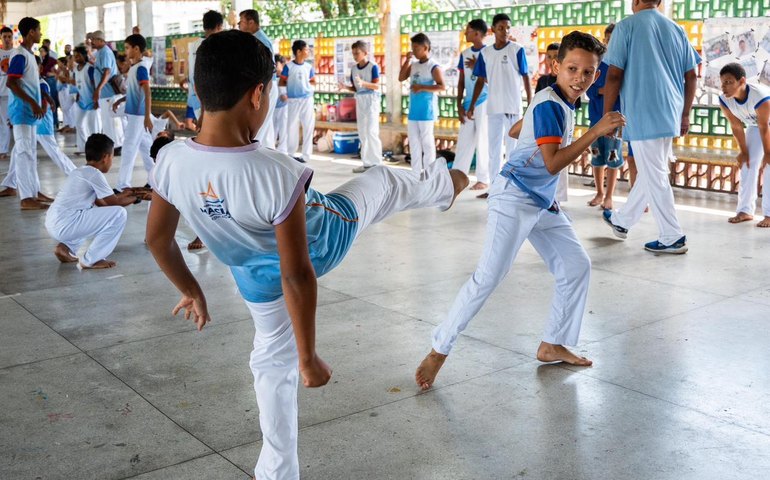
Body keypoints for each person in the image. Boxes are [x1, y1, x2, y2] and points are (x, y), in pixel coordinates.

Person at [145, 30, 468, 480]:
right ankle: (444, 185)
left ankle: (276, 472)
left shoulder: (171, 161)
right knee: (381, 181)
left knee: (268, 363)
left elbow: (158, 241)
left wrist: (192, 290)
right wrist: (308, 357)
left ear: (198, 90)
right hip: (322, 238)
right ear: (258, 94)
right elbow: (298, 274)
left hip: (251, 273)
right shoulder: (277, 171)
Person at [415, 31, 626, 390]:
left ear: (596, 73)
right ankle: (439, 348)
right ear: (556, 66)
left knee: (576, 265)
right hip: (514, 198)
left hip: (541, 201)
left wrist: (534, 132)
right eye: (572, 68)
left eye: (588, 72)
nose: (579, 77)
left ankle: (553, 343)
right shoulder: (547, 104)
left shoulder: (555, 100)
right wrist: (596, 131)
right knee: (488, 276)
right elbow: (552, 163)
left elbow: (517, 130)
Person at [601, 0, 700, 254]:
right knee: (650, 170)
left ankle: (672, 236)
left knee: (654, 173)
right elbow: (692, 75)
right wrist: (686, 113)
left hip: (643, 111)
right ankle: (622, 221)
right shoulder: (676, 29)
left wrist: (607, 115)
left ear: (634, 1)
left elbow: (613, 75)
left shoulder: (626, 27)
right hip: (671, 112)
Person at [45, 133, 136, 269]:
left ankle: (64, 247)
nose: (112, 161)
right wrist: (137, 198)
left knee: (91, 212)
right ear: (105, 157)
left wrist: (127, 194)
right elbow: (114, 203)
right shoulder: (94, 174)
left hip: (54, 222)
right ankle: (91, 259)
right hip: (65, 224)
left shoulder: (80, 171)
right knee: (119, 214)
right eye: (112, 157)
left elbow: (102, 203)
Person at [468, 13, 532, 198]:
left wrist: (530, 102)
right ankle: (495, 188)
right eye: (501, 28)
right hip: (494, 107)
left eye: (508, 28)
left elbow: (526, 76)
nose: (505, 31)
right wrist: (472, 104)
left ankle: (512, 189)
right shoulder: (486, 53)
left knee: (513, 150)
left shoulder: (516, 50)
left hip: (513, 107)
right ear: (493, 30)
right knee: (493, 150)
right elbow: (480, 80)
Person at [0, 17, 51, 210]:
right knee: (22, 152)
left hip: (30, 112)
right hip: (21, 111)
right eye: (38, 30)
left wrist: (42, 102)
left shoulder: (29, 54)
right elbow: (11, 82)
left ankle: (34, 191)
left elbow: (31, 84)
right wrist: (32, 103)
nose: (40, 33)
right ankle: (26, 198)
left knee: (30, 152)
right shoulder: (19, 54)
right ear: (31, 32)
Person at [718, 63, 770, 227]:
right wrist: (743, 151)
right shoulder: (724, 100)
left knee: (769, 165)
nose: (724, 87)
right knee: (747, 164)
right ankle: (746, 210)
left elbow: (764, 126)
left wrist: (767, 153)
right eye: (722, 82)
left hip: (766, 126)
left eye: (729, 82)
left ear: (742, 81)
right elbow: (736, 125)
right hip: (756, 126)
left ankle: (769, 214)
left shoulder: (760, 96)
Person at [586, 23, 623, 210]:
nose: (610, 42)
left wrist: (608, 91)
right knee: (597, 156)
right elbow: (589, 89)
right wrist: (605, 90)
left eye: (614, 39)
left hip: (615, 120)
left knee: (613, 155)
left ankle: (609, 196)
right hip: (595, 118)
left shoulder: (623, 63)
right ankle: (599, 192)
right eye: (608, 39)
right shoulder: (597, 63)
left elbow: (623, 90)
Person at [399, 33, 445, 178]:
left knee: (427, 142)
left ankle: (429, 173)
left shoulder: (433, 66)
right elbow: (401, 77)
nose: (414, 51)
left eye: (416, 48)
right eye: (412, 48)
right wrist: (407, 60)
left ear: (426, 48)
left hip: (426, 110)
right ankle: (415, 173)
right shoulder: (414, 64)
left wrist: (422, 88)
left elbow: (442, 86)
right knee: (414, 142)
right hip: (414, 110)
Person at [111, 34, 153, 191]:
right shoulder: (134, 68)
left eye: (128, 48)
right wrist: (120, 101)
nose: (126, 51)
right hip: (135, 114)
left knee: (128, 148)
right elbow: (133, 92)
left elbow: (147, 92)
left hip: (138, 116)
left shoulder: (141, 68)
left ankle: (122, 185)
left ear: (137, 49)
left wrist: (147, 116)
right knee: (146, 148)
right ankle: (155, 179)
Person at [453, 19, 490, 191]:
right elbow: (461, 81)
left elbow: (490, 79)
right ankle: (458, 175)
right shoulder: (465, 53)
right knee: (464, 141)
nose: (465, 33)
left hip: (484, 101)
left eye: (468, 30)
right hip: (468, 103)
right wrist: (459, 103)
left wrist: (478, 67)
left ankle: (483, 178)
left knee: (483, 140)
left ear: (477, 33)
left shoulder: (489, 53)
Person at [339, 40, 382, 173]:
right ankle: (366, 163)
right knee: (363, 132)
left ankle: (376, 162)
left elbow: (376, 85)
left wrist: (364, 83)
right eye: (353, 53)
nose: (355, 56)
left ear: (365, 53)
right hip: (361, 100)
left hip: (371, 100)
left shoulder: (373, 67)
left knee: (371, 131)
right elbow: (355, 88)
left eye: (357, 53)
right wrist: (345, 87)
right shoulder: (353, 69)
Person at [239, 9, 278, 146]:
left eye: (241, 22)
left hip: (265, 88)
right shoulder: (254, 39)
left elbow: (266, 71)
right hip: (261, 88)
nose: (239, 25)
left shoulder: (260, 41)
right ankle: (268, 153)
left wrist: (262, 93)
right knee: (266, 128)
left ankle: (259, 155)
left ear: (251, 22)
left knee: (260, 126)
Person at [185, 10, 224, 131]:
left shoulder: (193, 45)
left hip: (196, 100)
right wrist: (203, 112)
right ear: (218, 26)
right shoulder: (211, 46)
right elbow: (204, 80)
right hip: (208, 103)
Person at [280, 39, 316, 163]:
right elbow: (282, 81)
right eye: (306, 49)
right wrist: (283, 93)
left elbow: (312, 81)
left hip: (306, 100)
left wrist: (310, 90)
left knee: (308, 126)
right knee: (292, 126)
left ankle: (306, 155)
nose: (308, 52)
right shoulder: (289, 66)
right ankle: (291, 153)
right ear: (299, 51)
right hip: (293, 101)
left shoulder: (308, 67)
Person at [92, 30, 124, 155]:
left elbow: (107, 72)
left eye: (94, 39)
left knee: (112, 121)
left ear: (100, 40)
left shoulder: (105, 52)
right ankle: (114, 145)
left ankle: (117, 146)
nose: (92, 41)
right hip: (105, 94)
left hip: (108, 94)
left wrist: (98, 89)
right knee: (107, 121)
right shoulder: (100, 52)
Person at [72, 45, 101, 154]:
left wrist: (96, 100)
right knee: (79, 124)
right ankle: (83, 148)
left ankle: (96, 150)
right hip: (81, 101)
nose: (76, 58)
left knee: (93, 126)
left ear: (84, 55)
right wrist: (78, 96)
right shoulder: (76, 69)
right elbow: (77, 83)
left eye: (78, 56)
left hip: (91, 101)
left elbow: (95, 84)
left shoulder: (90, 68)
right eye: (75, 56)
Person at [0, 26, 14, 160]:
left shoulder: (16, 53)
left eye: (9, 37)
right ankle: (2, 149)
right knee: (2, 122)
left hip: (12, 92)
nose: (7, 39)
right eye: (5, 37)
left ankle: (4, 150)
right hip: (0, 91)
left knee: (9, 122)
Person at [39, 45, 59, 129]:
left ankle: (54, 122)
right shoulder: (41, 61)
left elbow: (57, 68)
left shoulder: (51, 60)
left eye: (42, 51)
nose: (41, 53)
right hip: (43, 80)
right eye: (40, 51)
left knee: (52, 100)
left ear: (46, 52)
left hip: (50, 81)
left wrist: (53, 74)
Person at [273, 54, 289, 154]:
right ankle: (273, 148)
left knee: (283, 128)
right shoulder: (273, 76)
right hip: (275, 106)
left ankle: (282, 150)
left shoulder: (285, 76)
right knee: (274, 128)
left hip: (283, 106)